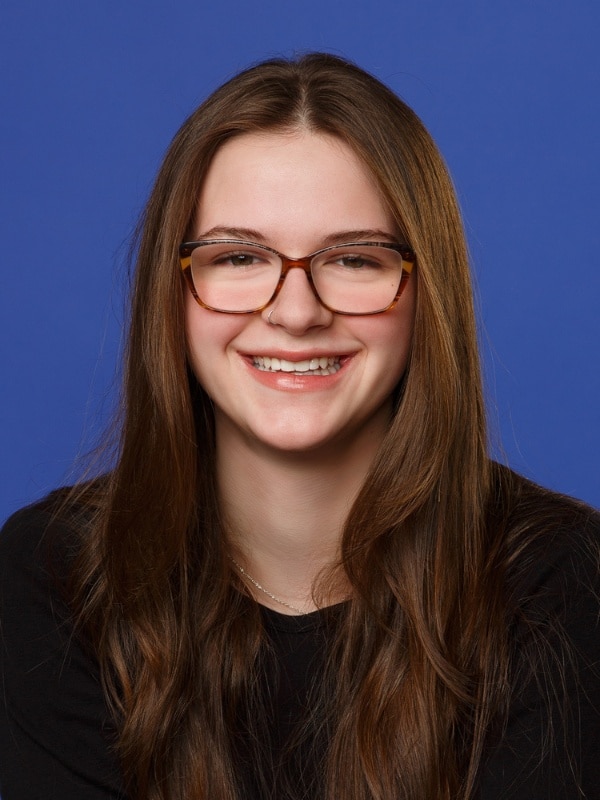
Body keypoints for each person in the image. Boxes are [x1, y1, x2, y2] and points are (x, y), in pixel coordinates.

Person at [1, 52, 598, 800]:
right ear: (173, 292)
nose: (295, 310)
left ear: (425, 294)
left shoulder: (565, 579)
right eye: (240, 256)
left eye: (353, 259)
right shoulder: (53, 575)